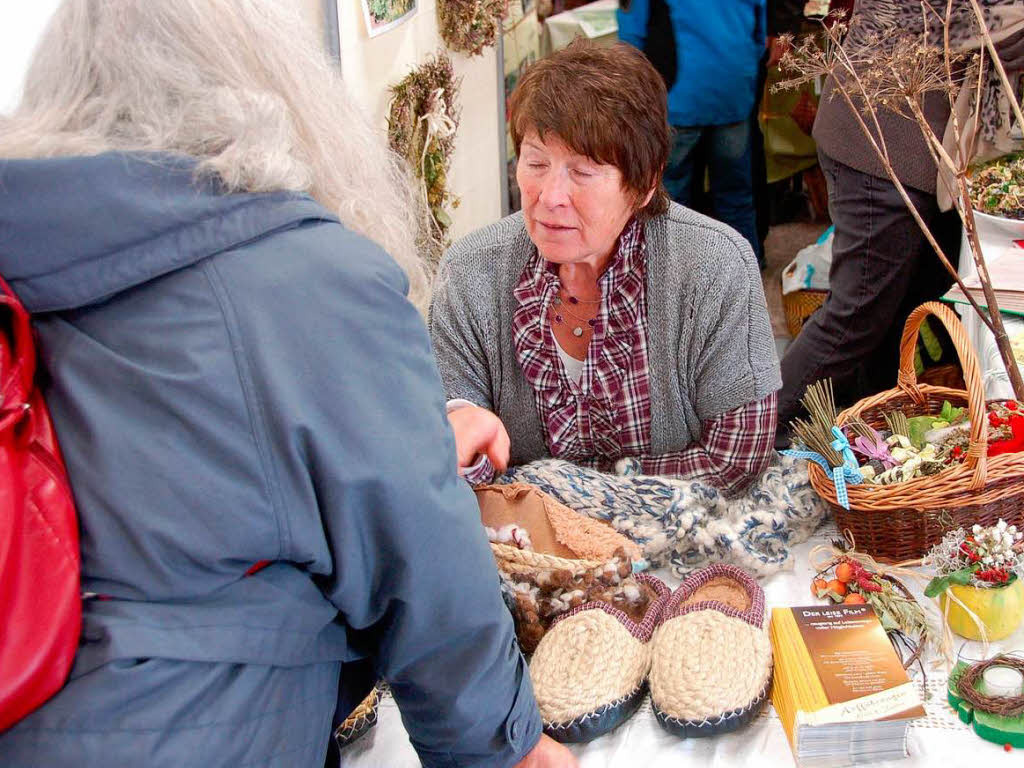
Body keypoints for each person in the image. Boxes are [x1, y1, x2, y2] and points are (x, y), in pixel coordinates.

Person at [0, 2, 576, 767]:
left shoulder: (31, 258)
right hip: (198, 732)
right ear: (267, 84)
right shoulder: (300, 276)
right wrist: (509, 746)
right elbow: (422, 566)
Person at [431, 40, 780, 499]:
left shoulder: (713, 266)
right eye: (536, 162)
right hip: (527, 549)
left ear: (644, 182)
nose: (549, 195)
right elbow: (447, 457)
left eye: (583, 172)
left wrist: (557, 489)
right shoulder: (472, 271)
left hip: (686, 546)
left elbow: (736, 460)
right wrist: (458, 431)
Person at [778, 0, 1024, 427]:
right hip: (881, 145)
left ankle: (869, 419)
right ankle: (753, 428)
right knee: (857, 316)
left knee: (909, 301)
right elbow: (1006, 35)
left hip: (912, 149)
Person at [616, 0, 767, 264]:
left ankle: (673, 282)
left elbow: (631, 40)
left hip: (678, 97)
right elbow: (759, 30)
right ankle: (746, 277)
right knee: (736, 197)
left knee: (668, 205)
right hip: (732, 91)